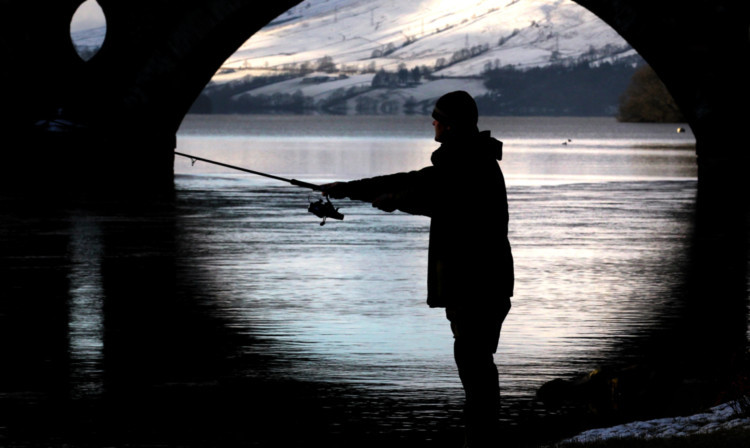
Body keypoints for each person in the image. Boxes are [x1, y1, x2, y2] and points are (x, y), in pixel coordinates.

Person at [321, 90, 513, 447]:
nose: (433, 123)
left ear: (451, 125)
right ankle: (484, 441)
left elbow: (429, 194)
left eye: (437, 118)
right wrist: (348, 189)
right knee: (477, 367)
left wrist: (390, 201)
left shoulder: (466, 164)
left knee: (475, 370)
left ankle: (482, 445)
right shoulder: (471, 158)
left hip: (475, 285)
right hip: (484, 284)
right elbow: (414, 180)